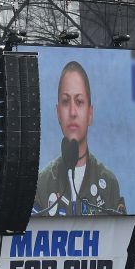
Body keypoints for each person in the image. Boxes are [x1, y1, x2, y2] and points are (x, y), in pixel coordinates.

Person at [34, 60, 125, 216]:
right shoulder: (43, 183)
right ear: (58, 113)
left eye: (79, 101)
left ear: (90, 113)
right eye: (65, 101)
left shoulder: (108, 182)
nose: (73, 112)